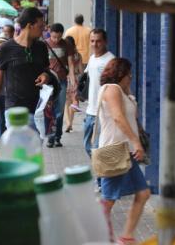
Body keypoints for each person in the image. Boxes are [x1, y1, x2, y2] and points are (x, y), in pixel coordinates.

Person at [97, 58, 150, 244]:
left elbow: (131, 116)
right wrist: (136, 142)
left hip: (126, 152)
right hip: (114, 150)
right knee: (107, 200)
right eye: (129, 74)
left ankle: (126, 237)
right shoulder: (111, 89)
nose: (131, 78)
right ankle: (98, 236)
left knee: (143, 193)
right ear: (120, 74)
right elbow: (118, 118)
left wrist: (128, 93)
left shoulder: (122, 91)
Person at [0, 7, 50, 128]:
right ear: (30, 26)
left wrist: (46, 75)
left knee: (35, 146)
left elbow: (47, 71)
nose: (43, 30)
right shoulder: (6, 48)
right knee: (20, 146)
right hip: (14, 109)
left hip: (38, 110)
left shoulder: (41, 47)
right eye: (40, 26)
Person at [84, 29, 115, 157]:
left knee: (97, 149)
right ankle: (101, 173)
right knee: (87, 147)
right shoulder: (91, 59)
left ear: (105, 42)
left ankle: (101, 176)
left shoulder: (111, 61)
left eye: (98, 41)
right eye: (92, 41)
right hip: (90, 111)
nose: (95, 44)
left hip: (103, 113)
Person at [45, 23, 76, 148]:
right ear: (50, 33)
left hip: (62, 81)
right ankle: (50, 137)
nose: (56, 40)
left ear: (62, 34)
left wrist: (73, 80)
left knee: (59, 110)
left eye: (58, 37)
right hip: (48, 82)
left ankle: (57, 136)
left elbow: (71, 64)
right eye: (53, 37)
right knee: (48, 110)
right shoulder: (44, 44)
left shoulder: (67, 44)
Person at [64, 35, 84, 133]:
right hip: (75, 80)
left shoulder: (64, 55)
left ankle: (68, 124)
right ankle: (70, 124)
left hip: (66, 79)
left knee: (66, 103)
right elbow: (81, 71)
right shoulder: (78, 55)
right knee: (73, 103)